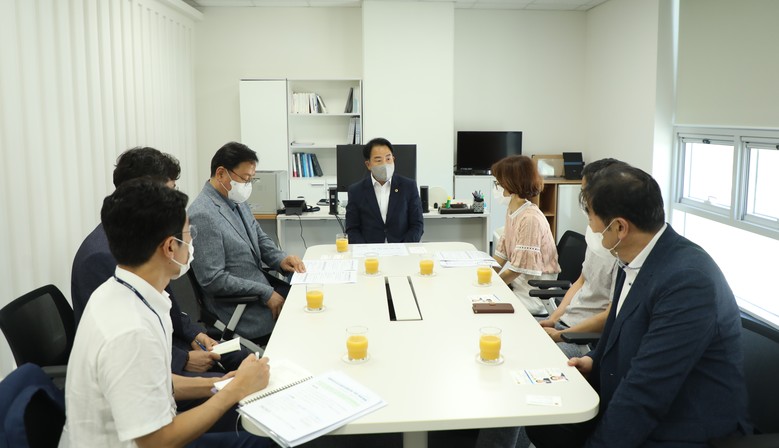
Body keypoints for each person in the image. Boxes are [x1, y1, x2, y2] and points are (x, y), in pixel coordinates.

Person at [526, 164, 751, 447]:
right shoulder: (634, 258)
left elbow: (647, 392)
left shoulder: (689, 282)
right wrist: (594, 360)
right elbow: (620, 329)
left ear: (620, 227)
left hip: (681, 426)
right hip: (632, 396)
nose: (591, 228)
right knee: (541, 422)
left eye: (592, 218)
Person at [64, 178, 271, 447]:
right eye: (188, 233)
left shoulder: (120, 290)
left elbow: (158, 383)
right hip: (150, 440)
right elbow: (156, 441)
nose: (192, 241)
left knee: (259, 416)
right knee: (266, 439)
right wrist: (234, 392)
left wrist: (224, 383)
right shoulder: (132, 331)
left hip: (155, 425)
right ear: (170, 247)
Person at [71, 147, 247, 378]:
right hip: (151, 364)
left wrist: (194, 334)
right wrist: (183, 359)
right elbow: (125, 345)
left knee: (243, 358)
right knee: (241, 386)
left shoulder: (144, 237)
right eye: (170, 191)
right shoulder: (102, 257)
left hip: (171, 343)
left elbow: (165, 302)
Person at [189, 142, 305, 345]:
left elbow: (259, 237)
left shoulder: (236, 200)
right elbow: (213, 279)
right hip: (240, 309)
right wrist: (265, 292)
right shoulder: (202, 214)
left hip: (260, 290)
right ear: (221, 173)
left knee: (308, 296)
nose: (247, 185)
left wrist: (281, 259)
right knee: (305, 316)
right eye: (244, 179)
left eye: (251, 179)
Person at [538, 159, 623, 358]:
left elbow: (609, 316)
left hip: (582, 338)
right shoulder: (595, 234)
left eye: (586, 192)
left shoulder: (620, 250)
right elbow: (581, 281)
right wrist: (553, 319)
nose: (583, 199)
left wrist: (559, 335)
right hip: (565, 323)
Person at [491, 155, 560, 315]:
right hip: (519, 283)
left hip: (533, 292)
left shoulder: (530, 218)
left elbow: (517, 269)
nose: (497, 187)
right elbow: (502, 253)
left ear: (510, 183)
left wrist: (493, 285)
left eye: (498, 183)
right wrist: (487, 276)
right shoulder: (513, 211)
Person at [345, 137, 424, 243]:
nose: (385, 164)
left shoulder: (408, 186)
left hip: (402, 248)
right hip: (369, 249)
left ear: (393, 159)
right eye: (378, 160)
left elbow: (417, 225)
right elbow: (352, 229)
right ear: (368, 164)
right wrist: (365, 249)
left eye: (388, 159)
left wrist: (404, 247)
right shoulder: (356, 191)